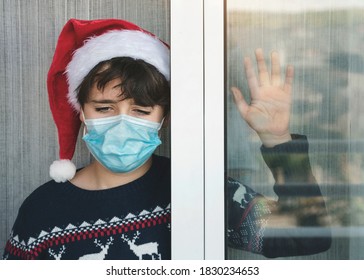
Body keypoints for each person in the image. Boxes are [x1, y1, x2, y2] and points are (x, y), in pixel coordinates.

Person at [2, 19, 331, 260]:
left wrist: (277, 140)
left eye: (141, 110)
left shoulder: (198, 192)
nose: (121, 122)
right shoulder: (42, 212)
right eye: (104, 108)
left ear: (164, 118)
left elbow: (308, 237)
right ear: (82, 114)